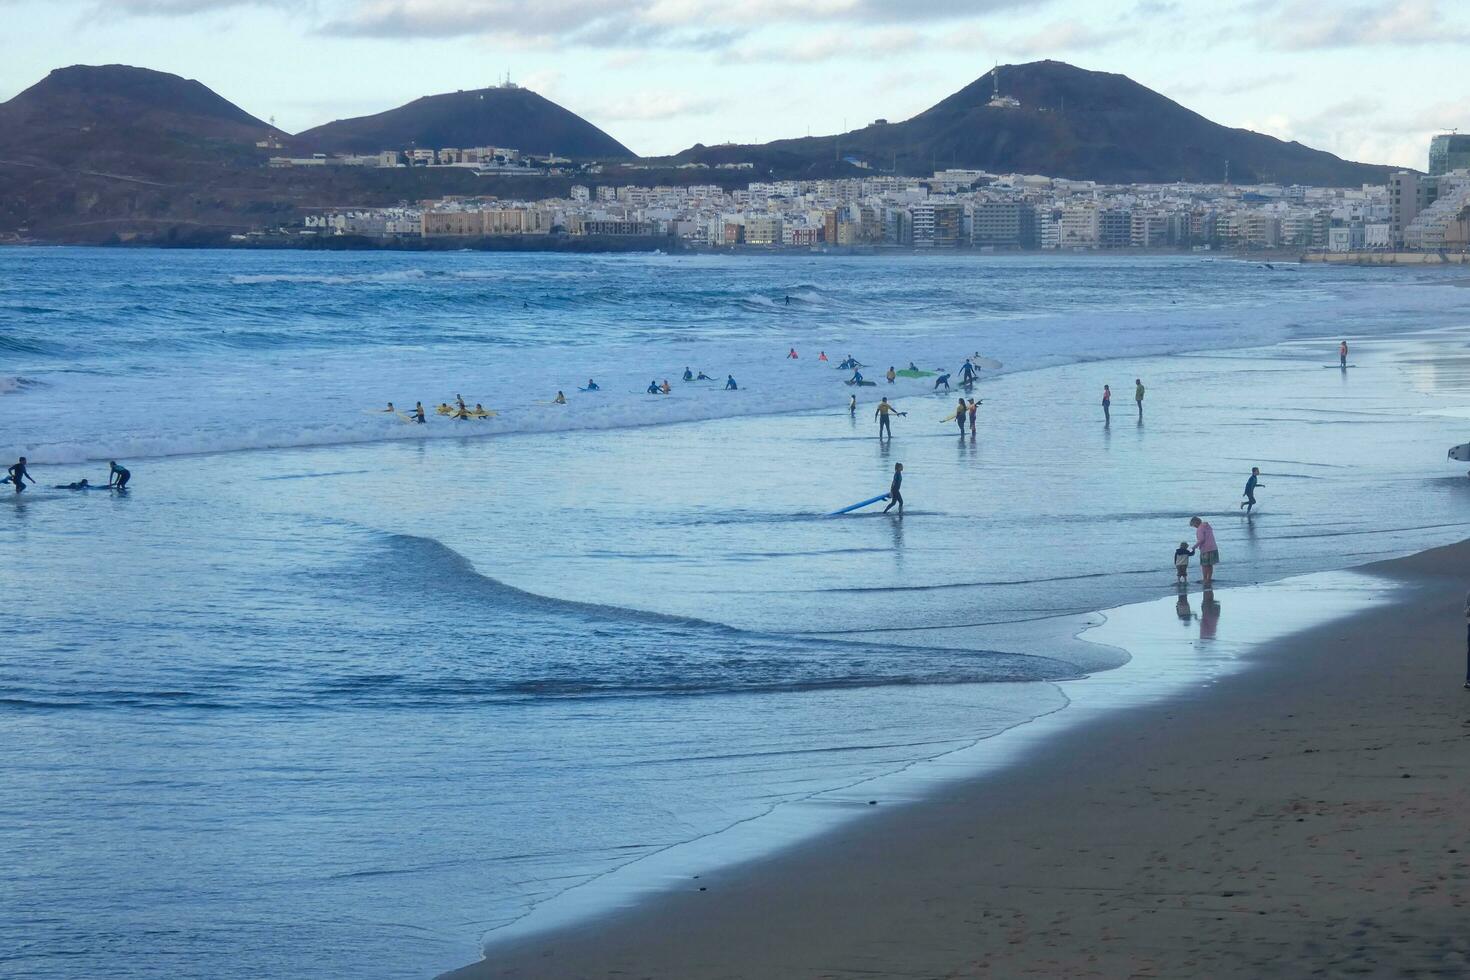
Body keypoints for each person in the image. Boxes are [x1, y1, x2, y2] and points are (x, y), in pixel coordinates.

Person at [1190, 516, 1218, 587]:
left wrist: (1194, 547)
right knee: (1210, 565)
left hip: (1205, 549)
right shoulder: (1208, 526)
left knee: (1204, 565)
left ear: (1195, 523)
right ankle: (1209, 578)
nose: (1194, 527)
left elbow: (1201, 539)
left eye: (1193, 525)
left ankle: (1205, 579)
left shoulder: (1200, 529)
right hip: (1213, 547)